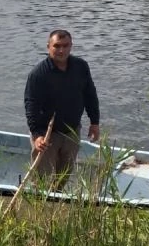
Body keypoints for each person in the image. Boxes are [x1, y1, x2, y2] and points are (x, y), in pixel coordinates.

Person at [23, 29, 100, 186]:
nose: (61, 50)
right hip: (46, 135)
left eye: (65, 46)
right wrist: (37, 135)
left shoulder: (81, 67)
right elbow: (31, 106)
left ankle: (57, 201)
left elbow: (90, 95)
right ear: (48, 47)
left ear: (71, 46)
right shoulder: (38, 74)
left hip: (71, 131)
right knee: (41, 179)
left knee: (63, 176)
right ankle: (38, 205)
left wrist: (94, 122)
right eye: (57, 46)